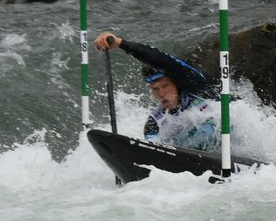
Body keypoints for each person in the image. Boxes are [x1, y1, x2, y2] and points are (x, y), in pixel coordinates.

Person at [92, 31, 220, 153]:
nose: (161, 93)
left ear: (177, 84)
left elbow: (161, 59)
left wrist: (121, 43)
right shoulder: (155, 122)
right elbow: (154, 153)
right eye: (155, 89)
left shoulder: (198, 89)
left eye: (165, 86)